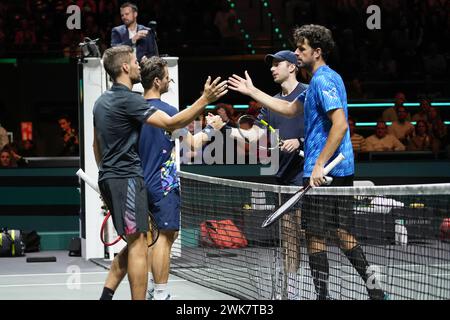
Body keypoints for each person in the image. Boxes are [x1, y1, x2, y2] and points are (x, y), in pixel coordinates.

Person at [228, 24, 387, 300]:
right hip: (337, 168)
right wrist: (253, 92)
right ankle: (375, 291)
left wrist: (318, 165)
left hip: (326, 170)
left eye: (301, 49)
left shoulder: (323, 80)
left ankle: (325, 296)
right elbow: (289, 109)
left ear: (317, 51)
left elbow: (339, 126)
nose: (296, 52)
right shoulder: (320, 81)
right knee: (339, 231)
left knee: (315, 235)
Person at [93, 45, 227, 300]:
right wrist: (206, 105)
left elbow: (95, 146)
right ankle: (160, 293)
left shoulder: (103, 102)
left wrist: (106, 182)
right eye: (134, 61)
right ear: (124, 67)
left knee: (138, 242)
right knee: (150, 242)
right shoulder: (137, 103)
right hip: (144, 183)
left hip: (119, 180)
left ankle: (107, 296)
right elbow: (175, 127)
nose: (137, 65)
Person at [138, 56, 225, 300]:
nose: (170, 80)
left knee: (153, 237)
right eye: (167, 77)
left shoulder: (134, 109)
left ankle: (153, 289)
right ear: (157, 81)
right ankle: (161, 293)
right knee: (164, 238)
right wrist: (212, 129)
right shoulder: (168, 113)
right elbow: (194, 145)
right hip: (163, 183)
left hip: (139, 182)